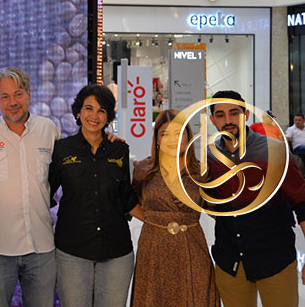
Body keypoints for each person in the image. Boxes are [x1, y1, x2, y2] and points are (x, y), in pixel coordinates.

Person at [207, 90, 305, 307]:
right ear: (212, 120)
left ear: (246, 115)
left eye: (234, 113)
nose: (228, 120)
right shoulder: (209, 156)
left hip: (275, 259)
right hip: (231, 263)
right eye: (220, 115)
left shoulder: (275, 151)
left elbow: (301, 202)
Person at [49, 84, 143, 307]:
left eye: (101, 110)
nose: (94, 116)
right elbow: (45, 193)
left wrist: (160, 221)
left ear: (108, 116)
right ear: (78, 112)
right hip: (72, 251)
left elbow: (126, 198)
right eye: (88, 108)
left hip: (116, 251)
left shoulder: (119, 150)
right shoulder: (62, 150)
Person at [0, 67, 59, 307]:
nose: (12, 102)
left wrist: (108, 138)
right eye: (5, 96)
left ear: (29, 94)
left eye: (18, 94)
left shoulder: (49, 130)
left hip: (41, 247)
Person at [130, 109, 220, 306]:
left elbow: (217, 209)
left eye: (179, 133)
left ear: (188, 136)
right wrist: (155, 221)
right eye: (165, 134)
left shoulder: (201, 172)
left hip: (192, 248)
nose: (173, 139)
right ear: (157, 139)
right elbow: (128, 202)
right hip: (153, 248)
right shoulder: (143, 170)